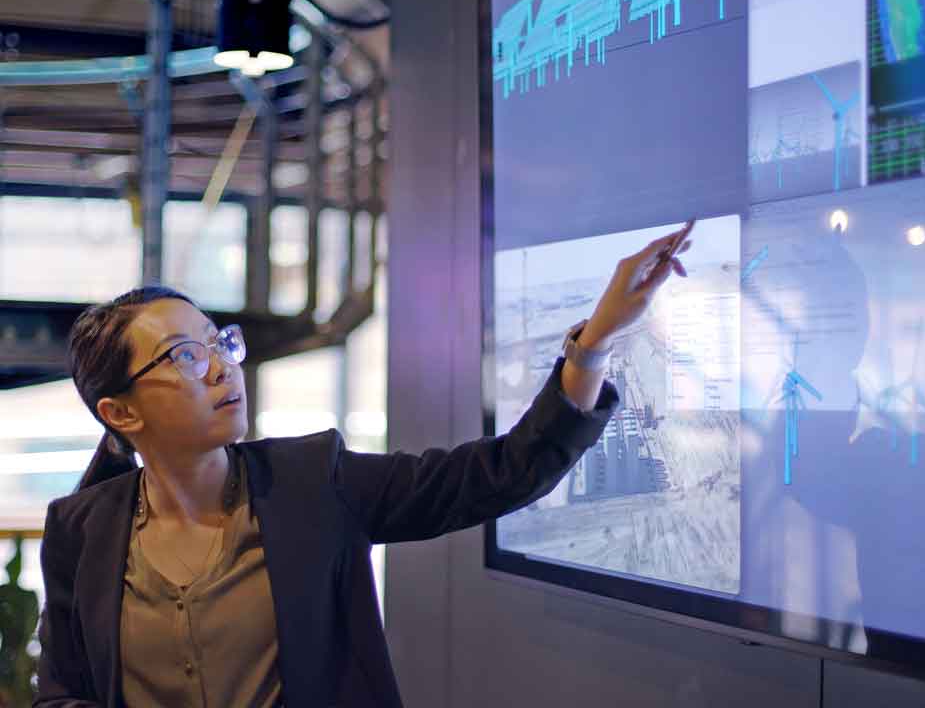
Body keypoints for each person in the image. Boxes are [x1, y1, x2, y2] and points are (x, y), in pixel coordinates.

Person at [33, 226, 692, 708]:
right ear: (121, 414)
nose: (220, 365)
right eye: (182, 355)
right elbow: (61, 693)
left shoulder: (312, 483)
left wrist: (593, 344)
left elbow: (503, 472)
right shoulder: (80, 528)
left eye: (219, 341)